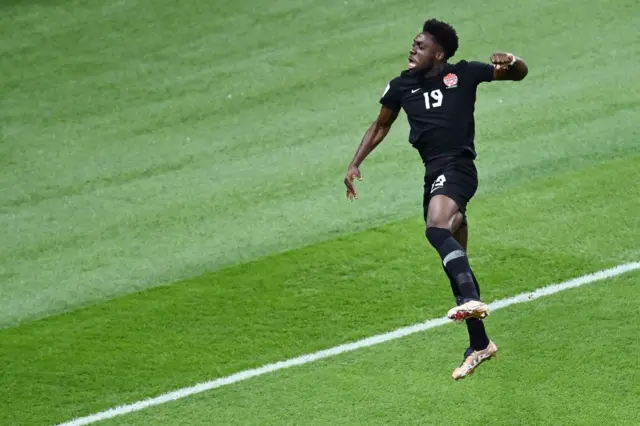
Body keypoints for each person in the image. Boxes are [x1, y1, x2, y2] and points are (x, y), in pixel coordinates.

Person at [343, 18, 528, 379]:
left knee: (436, 227)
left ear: (438, 53)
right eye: (413, 45)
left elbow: (518, 73)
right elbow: (381, 125)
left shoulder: (466, 73)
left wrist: (513, 59)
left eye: (420, 46)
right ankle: (480, 344)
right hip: (433, 173)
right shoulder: (401, 86)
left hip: (458, 167)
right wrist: (355, 163)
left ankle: (471, 302)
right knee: (454, 258)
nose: (413, 50)